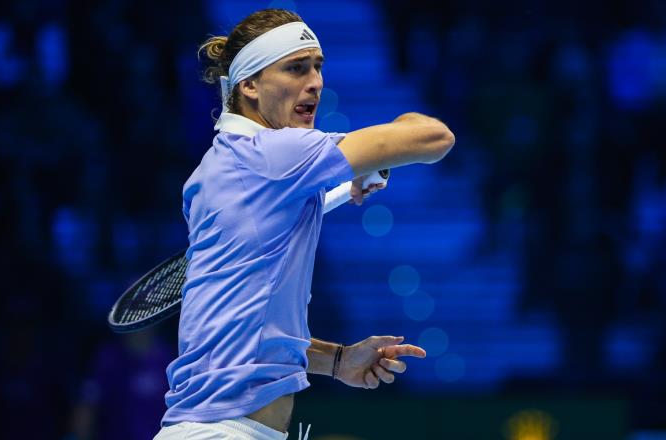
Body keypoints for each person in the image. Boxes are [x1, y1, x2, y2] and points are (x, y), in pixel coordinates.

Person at [155, 8, 455, 440]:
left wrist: (336, 360)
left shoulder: (220, 168)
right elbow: (433, 137)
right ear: (250, 85)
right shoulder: (275, 156)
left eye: (318, 67)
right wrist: (378, 156)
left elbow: (247, 333)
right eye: (296, 68)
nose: (315, 81)